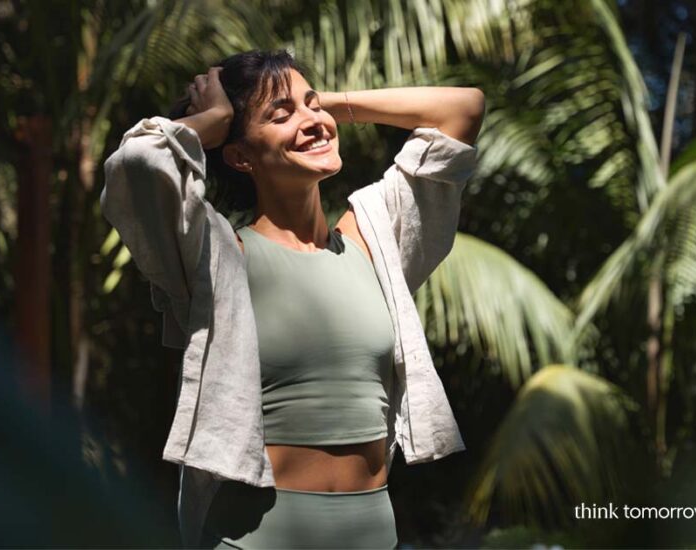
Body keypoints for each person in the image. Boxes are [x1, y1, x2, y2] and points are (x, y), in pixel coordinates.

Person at [100, 49, 485, 548]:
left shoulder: (375, 235)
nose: (310, 122)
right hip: (257, 535)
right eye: (280, 116)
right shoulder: (218, 252)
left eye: (312, 105)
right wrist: (216, 117)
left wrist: (323, 107)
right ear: (239, 156)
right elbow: (136, 164)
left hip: (373, 532)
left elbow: (464, 109)